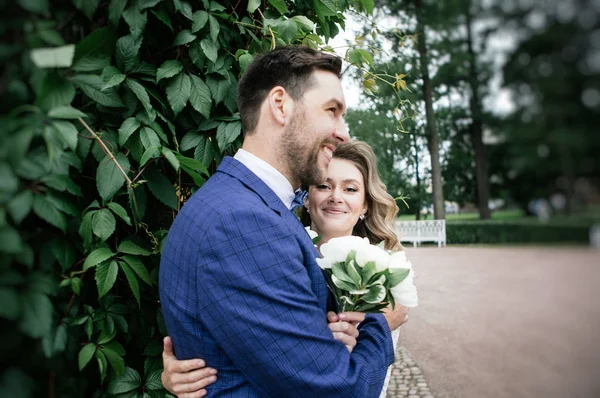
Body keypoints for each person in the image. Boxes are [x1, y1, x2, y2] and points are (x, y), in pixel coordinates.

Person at [159, 46, 408, 397]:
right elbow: (336, 390)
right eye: (332, 111)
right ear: (280, 104)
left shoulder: (239, 202)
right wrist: (382, 324)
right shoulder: (243, 223)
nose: (343, 133)